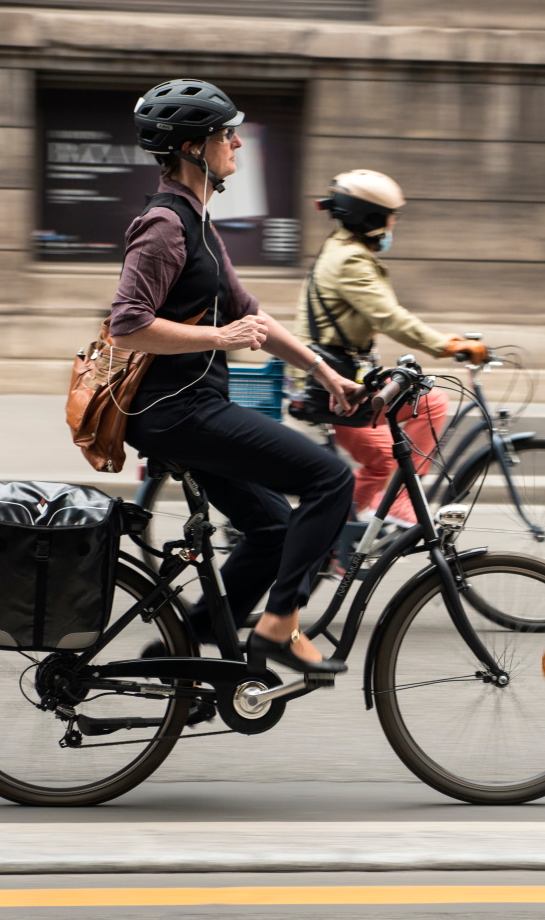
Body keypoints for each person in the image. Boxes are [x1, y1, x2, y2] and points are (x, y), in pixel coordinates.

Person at [109, 78, 363, 675]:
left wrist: (323, 371)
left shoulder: (198, 221)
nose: (239, 144)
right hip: (177, 412)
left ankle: (180, 653)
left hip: (195, 407)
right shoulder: (164, 226)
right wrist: (217, 339)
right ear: (194, 145)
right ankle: (278, 627)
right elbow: (127, 326)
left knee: (275, 529)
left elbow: (251, 315)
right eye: (229, 134)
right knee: (330, 480)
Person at [294, 170, 488, 526]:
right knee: (384, 455)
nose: (393, 224)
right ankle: (348, 531)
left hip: (348, 374)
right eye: (389, 216)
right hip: (332, 385)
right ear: (368, 217)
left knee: (429, 402)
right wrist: (447, 345)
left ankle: (369, 512)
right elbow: (390, 318)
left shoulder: (344, 250)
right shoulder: (350, 261)